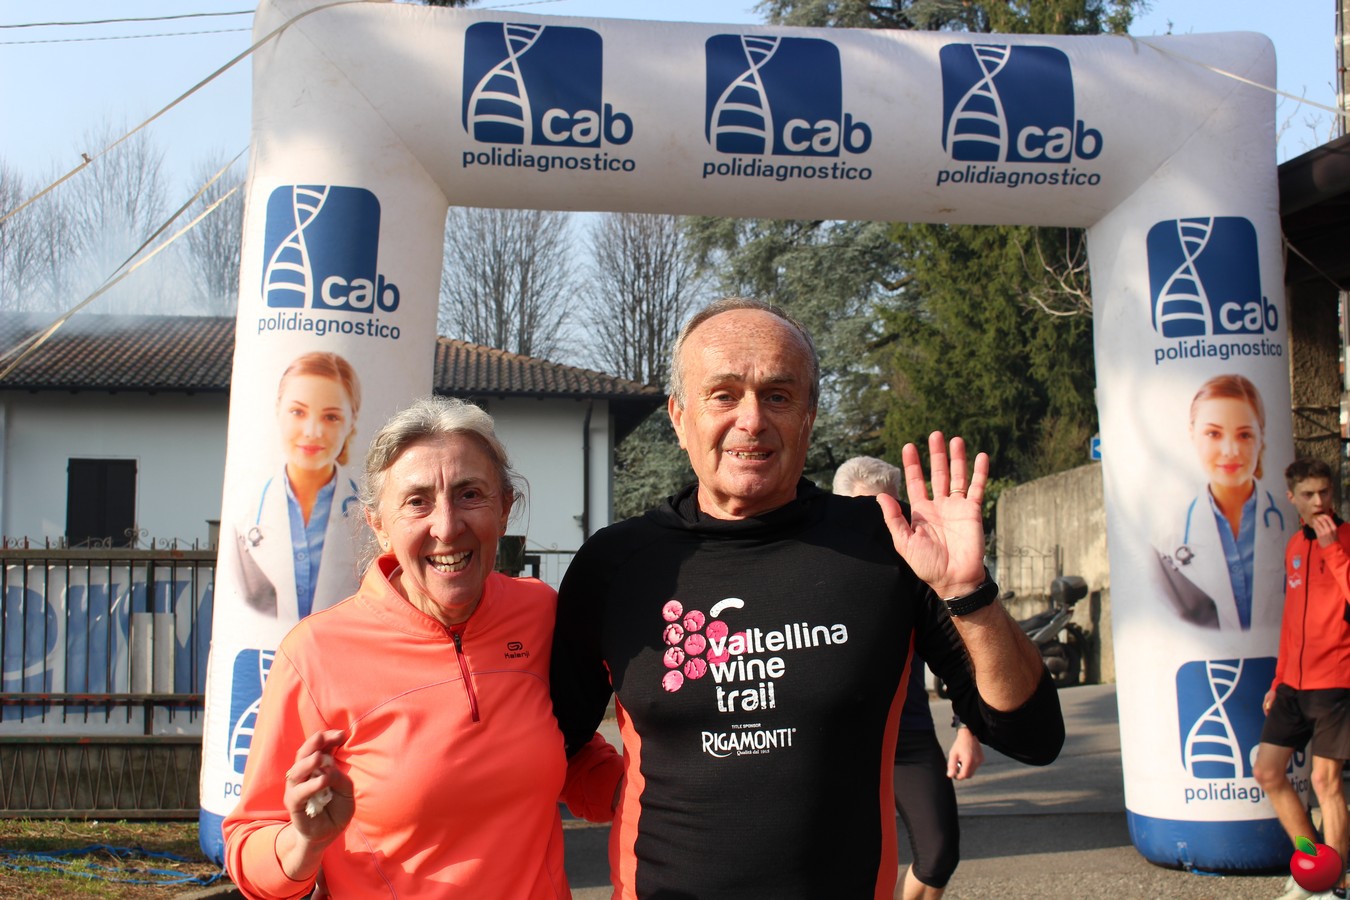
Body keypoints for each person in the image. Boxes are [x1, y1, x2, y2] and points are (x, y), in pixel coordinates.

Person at [550, 297, 1063, 899]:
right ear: (680, 416)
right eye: (723, 395)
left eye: (778, 396)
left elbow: (1032, 736)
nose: (751, 420)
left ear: (809, 416)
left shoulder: (887, 545)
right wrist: (620, 792)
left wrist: (967, 593)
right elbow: (544, 742)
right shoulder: (615, 565)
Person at [223, 396, 622, 899]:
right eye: (417, 501)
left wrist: (660, 788)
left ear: (504, 508)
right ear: (378, 523)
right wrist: (304, 843)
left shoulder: (540, 613)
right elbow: (248, 839)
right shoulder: (315, 654)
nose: (447, 526)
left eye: (469, 494)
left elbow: (570, 751)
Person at [834, 455, 984, 900]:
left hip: (908, 738)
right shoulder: (816, 573)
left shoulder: (919, 572)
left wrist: (968, 729)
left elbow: (966, 656)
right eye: (867, 510)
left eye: (891, 510)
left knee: (939, 856)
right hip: (834, 743)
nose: (881, 524)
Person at [1253, 457, 1350, 900]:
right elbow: (1293, 620)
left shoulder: (1345, 541)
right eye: (1309, 495)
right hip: (1293, 684)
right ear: (1292, 498)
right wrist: (1278, 680)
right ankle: (1314, 866)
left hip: (1336, 681)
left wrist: (1333, 550)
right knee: (1268, 771)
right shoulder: (1294, 544)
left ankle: (1336, 884)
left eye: (1325, 492)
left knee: (1325, 782)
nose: (1319, 501)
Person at [228, 351, 364, 620]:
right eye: (298, 412)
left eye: (331, 417)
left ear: (351, 422)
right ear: (278, 410)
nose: (312, 431)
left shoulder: (374, 519)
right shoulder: (243, 514)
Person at [1155, 373, 1289, 631]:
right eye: (1214, 434)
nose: (1230, 451)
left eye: (1244, 435)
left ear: (1261, 436)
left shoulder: (1290, 519)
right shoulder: (1169, 534)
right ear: (1192, 434)